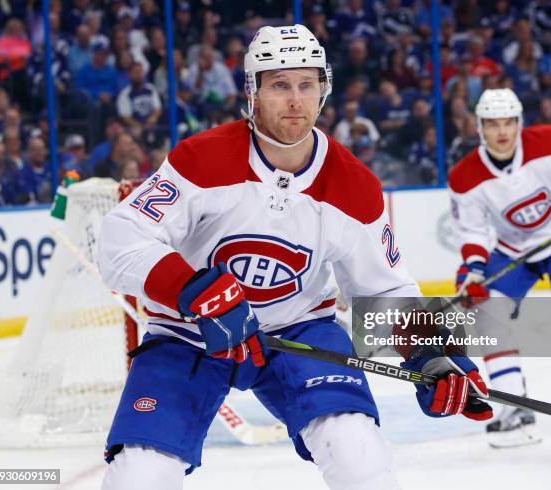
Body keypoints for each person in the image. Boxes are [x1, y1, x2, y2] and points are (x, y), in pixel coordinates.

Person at [99, 25, 492, 490]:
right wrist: (192, 291)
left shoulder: (355, 185)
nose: (295, 100)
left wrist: (432, 354)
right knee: (139, 476)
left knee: (359, 454)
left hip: (299, 334)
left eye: (307, 85)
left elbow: (383, 288)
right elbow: (119, 238)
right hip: (189, 335)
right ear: (253, 92)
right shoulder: (201, 159)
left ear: (323, 90)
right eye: (280, 85)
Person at [448, 88, 551, 447]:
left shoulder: (549, 140)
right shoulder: (464, 176)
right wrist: (472, 272)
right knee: (488, 312)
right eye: (492, 124)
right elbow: (471, 232)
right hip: (513, 250)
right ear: (480, 128)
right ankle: (514, 408)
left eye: (508, 123)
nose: (501, 132)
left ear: (519, 123)